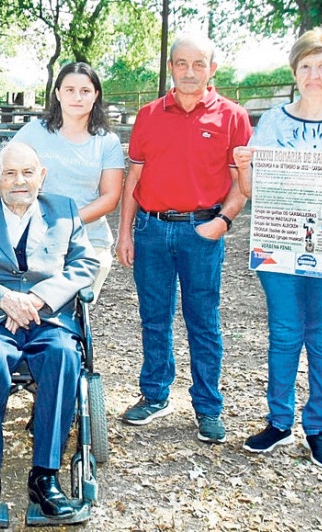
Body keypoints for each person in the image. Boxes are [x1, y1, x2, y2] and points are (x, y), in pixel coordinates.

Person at [233, 27, 322, 470]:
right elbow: (254, 190)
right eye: (306, 66)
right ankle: (278, 421)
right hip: (282, 241)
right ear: (295, 71)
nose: (314, 74)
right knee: (285, 332)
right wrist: (242, 168)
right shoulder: (274, 121)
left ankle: (318, 428)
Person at [0, 142, 99, 523]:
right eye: (9, 173)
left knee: (63, 356)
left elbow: (85, 263)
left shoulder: (64, 211)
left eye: (27, 172)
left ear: (41, 176)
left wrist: (40, 299)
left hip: (50, 317)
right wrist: (4, 299)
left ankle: (45, 478)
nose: (19, 181)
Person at [115, 34, 252, 443]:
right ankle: (155, 394)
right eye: (181, 63)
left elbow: (240, 184)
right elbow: (132, 178)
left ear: (212, 69)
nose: (189, 72)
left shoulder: (232, 117)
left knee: (203, 322)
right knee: (154, 319)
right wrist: (125, 231)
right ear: (171, 67)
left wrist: (223, 221)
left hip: (202, 231)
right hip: (152, 229)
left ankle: (208, 406)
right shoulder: (148, 114)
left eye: (198, 64)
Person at [13, 62, 124, 299]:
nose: (77, 97)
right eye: (69, 90)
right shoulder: (34, 132)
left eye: (85, 91)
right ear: (58, 93)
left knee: (73, 315)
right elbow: (7, 173)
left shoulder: (107, 141)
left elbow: (110, 197)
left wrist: (67, 223)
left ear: (96, 95)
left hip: (89, 242)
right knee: (35, 311)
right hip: (35, 238)